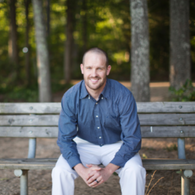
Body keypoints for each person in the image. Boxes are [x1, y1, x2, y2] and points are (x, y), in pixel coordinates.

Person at [52, 47, 146, 195]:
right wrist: (82, 171)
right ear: (82, 69)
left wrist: (107, 171)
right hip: (84, 145)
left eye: (99, 69)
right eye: (89, 68)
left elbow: (133, 139)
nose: (94, 74)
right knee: (59, 171)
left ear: (107, 70)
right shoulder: (71, 97)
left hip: (117, 145)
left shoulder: (123, 95)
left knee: (135, 170)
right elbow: (65, 139)